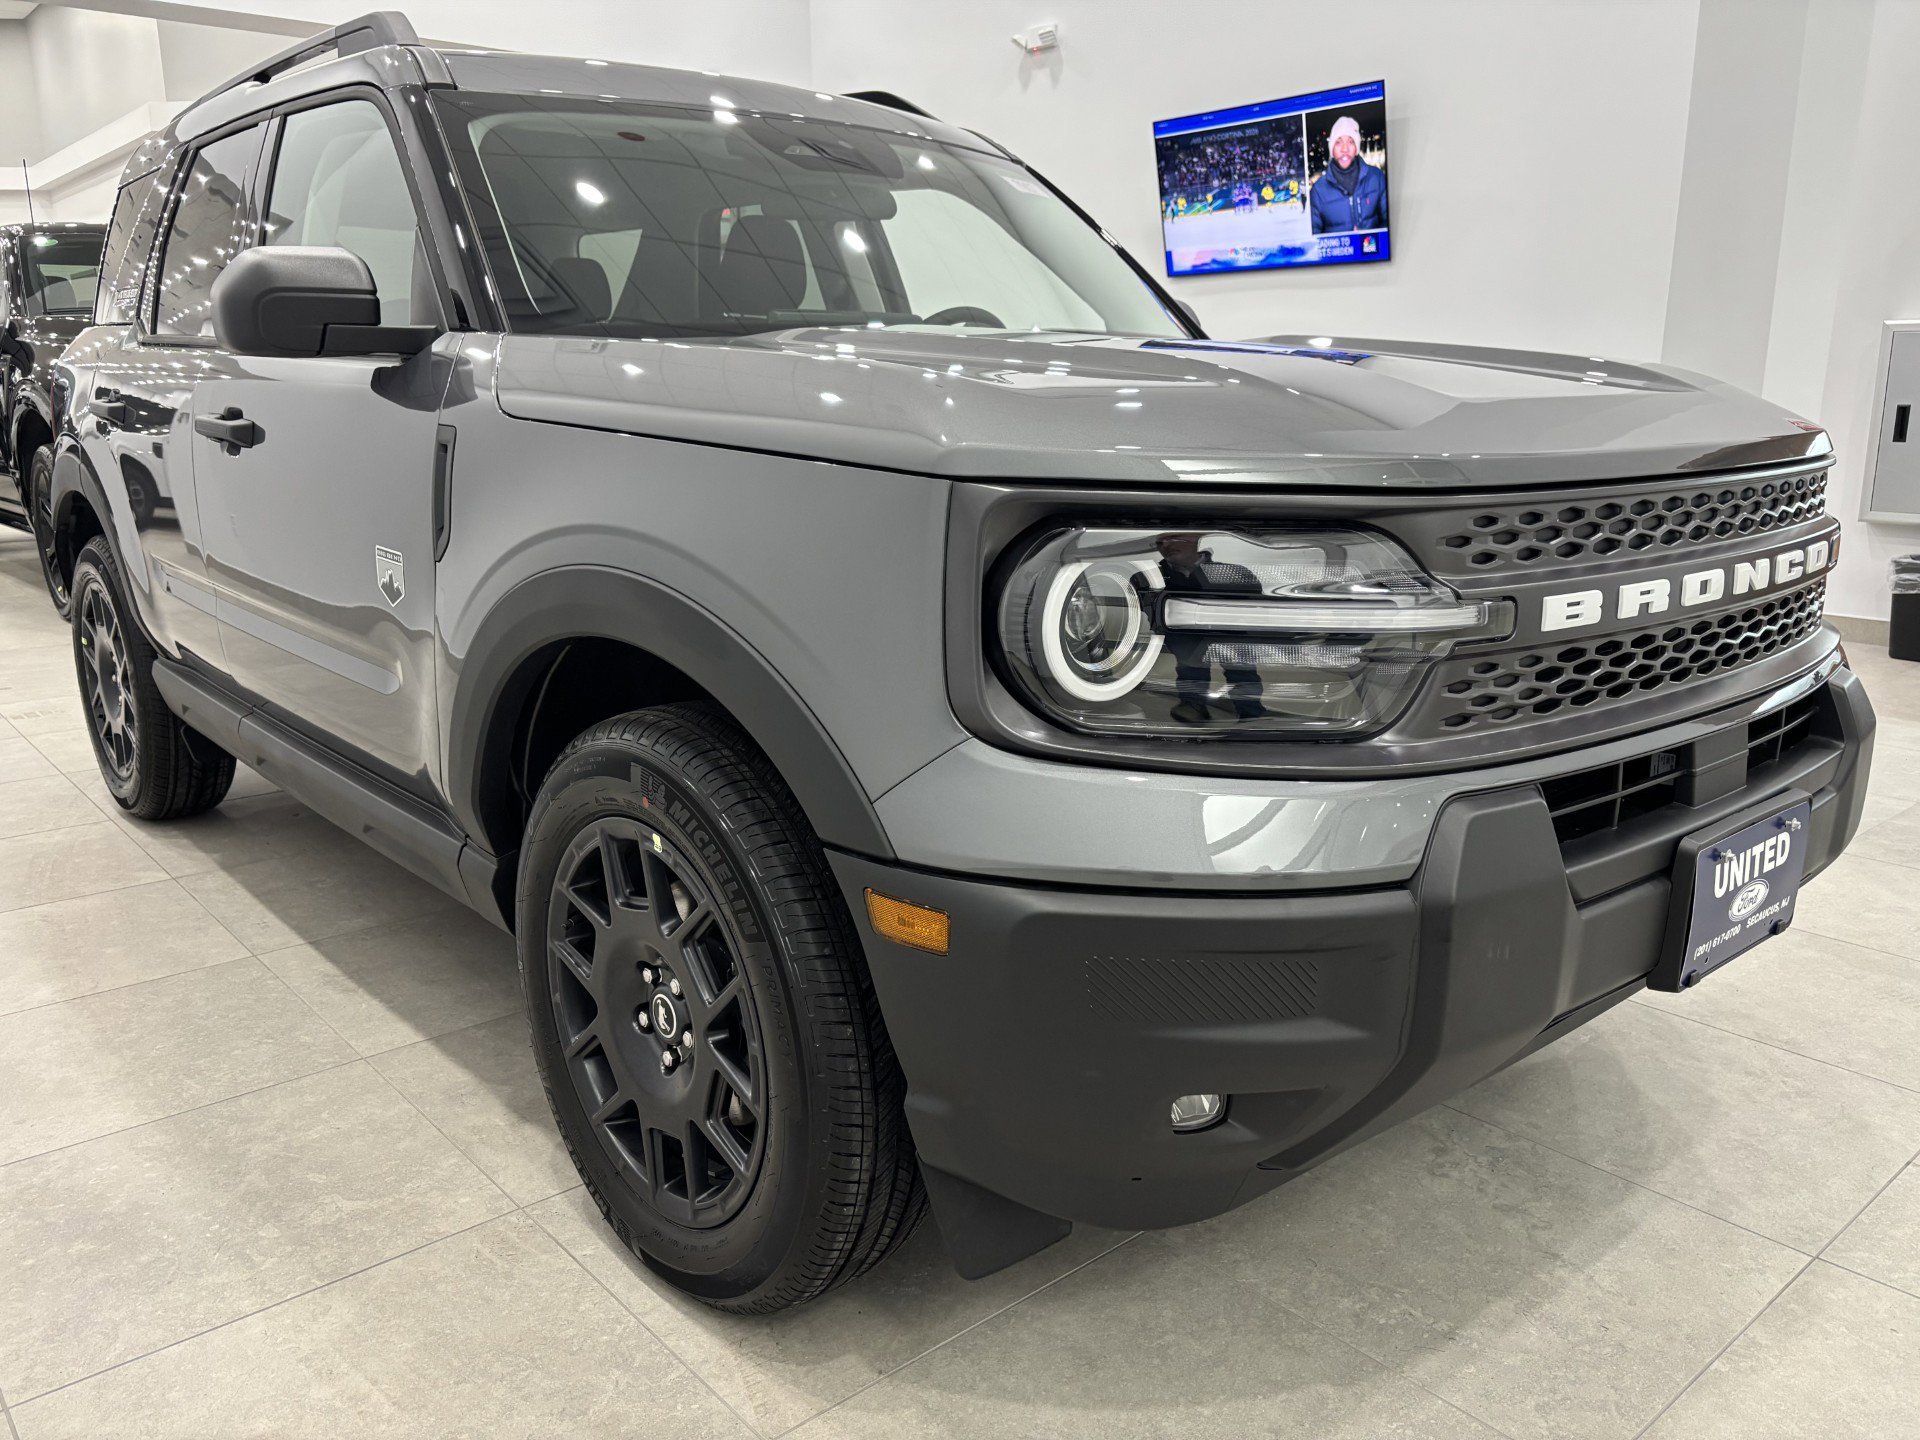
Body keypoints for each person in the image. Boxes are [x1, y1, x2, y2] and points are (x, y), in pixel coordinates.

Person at [1309, 114, 1387, 234]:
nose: (1344, 149)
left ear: (1356, 147)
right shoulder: (1318, 191)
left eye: (1350, 142)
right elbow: (1315, 237)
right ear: (1332, 149)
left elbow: (1388, 223)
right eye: (1338, 142)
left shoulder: (1377, 178)